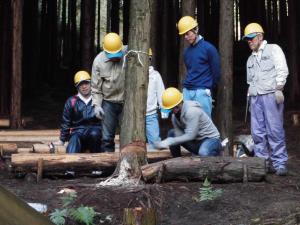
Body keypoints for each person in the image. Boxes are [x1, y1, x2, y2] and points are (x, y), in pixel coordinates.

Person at [243, 22, 289, 176]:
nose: (249, 41)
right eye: (247, 39)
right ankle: (262, 164)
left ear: (260, 36)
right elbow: (250, 82)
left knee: (274, 130)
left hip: (271, 95)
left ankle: (280, 163)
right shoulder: (249, 60)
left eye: (251, 38)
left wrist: (279, 88)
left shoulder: (273, 49)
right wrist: (250, 95)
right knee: (257, 132)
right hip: (256, 98)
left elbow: (282, 69)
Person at [154, 87, 222, 157]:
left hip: (211, 140)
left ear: (179, 104)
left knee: (203, 152)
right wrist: (163, 144)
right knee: (172, 133)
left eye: (174, 107)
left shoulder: (191, 111)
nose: (172, 110)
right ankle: (176, 162)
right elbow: (178, 135)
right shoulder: (174, 117)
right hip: (196, 142)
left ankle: (211, 163)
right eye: (171, 108)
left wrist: (170, 141)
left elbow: (191, 135)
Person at [177, 16, 221, 117]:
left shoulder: (209, 48)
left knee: (204, 127)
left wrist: (206, 88)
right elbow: (191, 71)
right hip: (187, 92)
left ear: (196, 30)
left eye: (187, 34)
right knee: (189, 124)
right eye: (184, 35)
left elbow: (216, 73)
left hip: (202, 92)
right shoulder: (186, 53)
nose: (186, 37)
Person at [91, 32, 126, 152]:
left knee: (127, 137)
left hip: (126, 102)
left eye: (118, 54)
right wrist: (96, 105)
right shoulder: (98, 61)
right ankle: (107, 167)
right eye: (113, 55)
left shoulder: (129, 53)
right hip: (108, 103)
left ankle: (126, 165)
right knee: (107, 138)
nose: (116, 57)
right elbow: (96, 88)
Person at [54, 71, 102, 153]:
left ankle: (97, 163)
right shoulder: (71, 101)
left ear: (91, 84)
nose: (84, 86)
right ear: (77, 86)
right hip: (78, 131)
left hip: (95, 131)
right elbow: (66, 122)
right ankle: (70, 164)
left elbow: (107, 120)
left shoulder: (98, 99)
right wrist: (62, 140)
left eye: (86, 83)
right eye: (81, 84)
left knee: (94, 134)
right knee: (73, 140)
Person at [146, 48, 165, 149]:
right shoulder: (132, 75)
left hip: (151, 115)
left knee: (155, 144)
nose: (146, 60)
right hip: (134, 116)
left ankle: (153, 165)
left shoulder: (155, 75)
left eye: (148, 58)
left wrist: (164, 108)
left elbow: (161, 93)